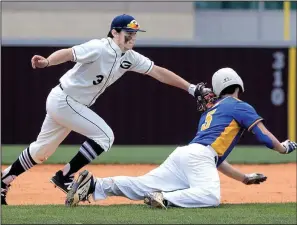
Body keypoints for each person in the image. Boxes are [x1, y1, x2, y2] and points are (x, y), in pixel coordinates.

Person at [1, 14, 200, 205]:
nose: (132, 37)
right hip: (65, 100)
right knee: (105, 136)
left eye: (135, 33)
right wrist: (47, 61)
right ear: (114, 32)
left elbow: (159, 72)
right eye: (128, 32)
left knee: (41, 151)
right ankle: (64, 176)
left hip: (66, 103)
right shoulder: (99, 47)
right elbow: (69, 53)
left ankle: (4, 180)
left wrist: (191, 88)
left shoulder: (129, 57)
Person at [64, 67, 297, 209]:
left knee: (141, 185)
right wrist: (283, 148)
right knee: (210, 196)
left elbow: (214, 159)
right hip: (198, 157)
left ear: (217, 89)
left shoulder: (211, 111)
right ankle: (164, 198)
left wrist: (244, 178)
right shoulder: (240, 106)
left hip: (185, 154)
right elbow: (265, 136)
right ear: (239, 86)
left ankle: (94, 185)